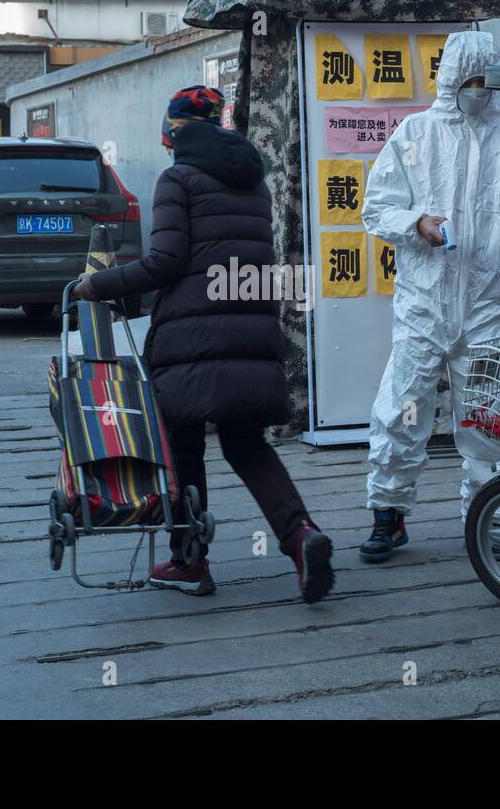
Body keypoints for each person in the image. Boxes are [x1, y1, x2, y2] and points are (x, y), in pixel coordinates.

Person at [75, 86, 334, 604]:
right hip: (250, 328)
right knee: (247, 443)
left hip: (193, 335)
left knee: (182, 440)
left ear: (174, 130)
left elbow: (166, 262)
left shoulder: (179, 178)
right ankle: (300, 535)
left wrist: (96, 285)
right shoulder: (253, 181)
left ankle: (190, 561)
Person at [359, 30, 500, 562]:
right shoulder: (414, 134)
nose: (478, 90)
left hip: (491, 303)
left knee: (488, 416)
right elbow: (376, 207)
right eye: (469, 81)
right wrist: (415, 222)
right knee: (401, 407)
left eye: (485, 81)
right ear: (450, 79)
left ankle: (488, 517)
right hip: (424, 302)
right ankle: (389, 514)